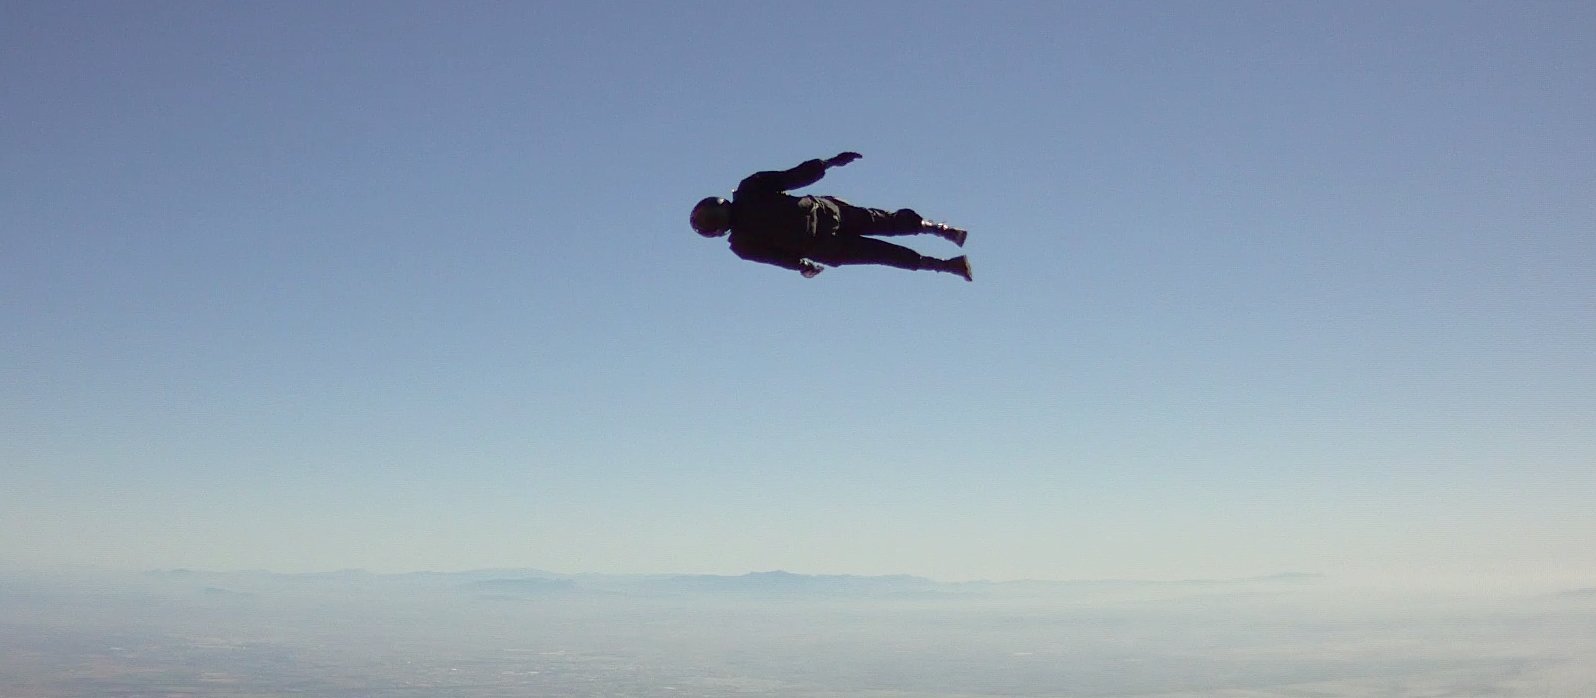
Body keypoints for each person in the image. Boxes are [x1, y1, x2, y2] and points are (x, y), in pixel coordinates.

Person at [691, 152, 973, 281]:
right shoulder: (749, 189)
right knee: (888, 222)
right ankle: (940, 229)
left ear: (717, 231)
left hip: (828, 246)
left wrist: (803, 267)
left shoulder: (741, 243)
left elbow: (777, 258)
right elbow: (793, 177)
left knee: (885, 254)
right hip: (828, 214)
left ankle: (948, 266)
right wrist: (828, 163)